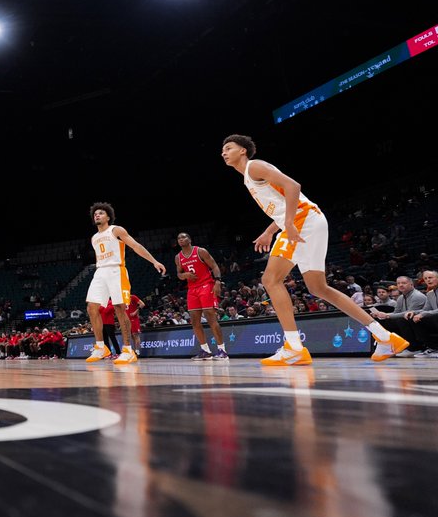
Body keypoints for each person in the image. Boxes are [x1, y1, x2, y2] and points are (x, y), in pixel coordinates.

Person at [220, 134, 409, 365]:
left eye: (228, 148)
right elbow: (284, 204)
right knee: (319, 287)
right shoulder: (249, 177)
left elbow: (293, 186)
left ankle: (294, 347)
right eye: (222, 150)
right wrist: (271, 231)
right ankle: (385, 336)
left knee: (270, 280)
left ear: (243, 151)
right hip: (311, 219)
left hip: (303, 221)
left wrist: (288, 223)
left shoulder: (254, 166)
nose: (224, 152)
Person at [83, 203, 167, 365]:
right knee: (91, 307)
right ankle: (101, 347)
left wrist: (154, 261)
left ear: (108, 217)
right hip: (100, 271)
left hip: (116, 270)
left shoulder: (116, 230)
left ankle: (128, 350)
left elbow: (135, 246)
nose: (97, 215)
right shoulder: (94, 238)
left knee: (119, 307)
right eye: (95, 214)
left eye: (101, 213)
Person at [175, 232, 229, 361]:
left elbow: (215, 266)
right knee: (194, 320)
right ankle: (205, 350)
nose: (181, 239)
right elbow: (179, 274)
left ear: (190, 239)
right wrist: (184, 275)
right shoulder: (178, 257)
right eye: (179, 238)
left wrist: (217, 282)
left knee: (210, 317)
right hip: (192, 289)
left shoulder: (200, 251)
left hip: (206, 285)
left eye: (184, 237)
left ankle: (222, 350)